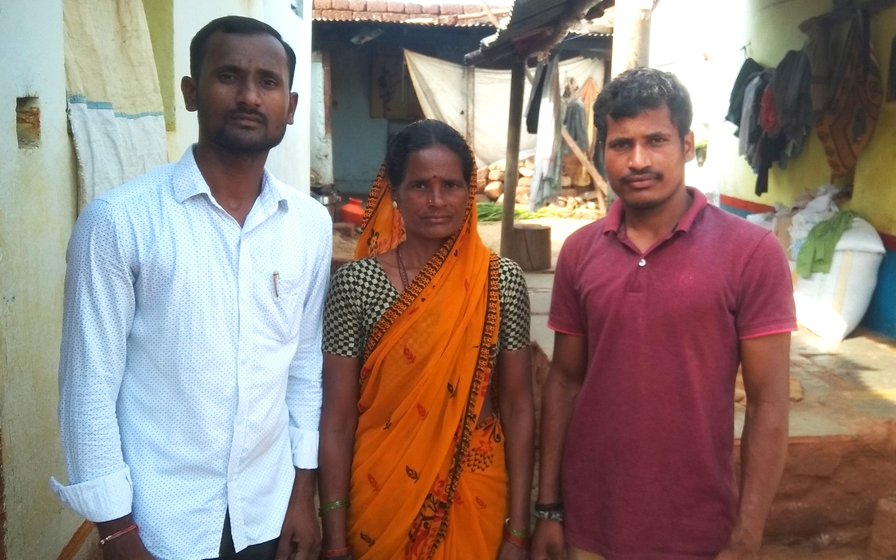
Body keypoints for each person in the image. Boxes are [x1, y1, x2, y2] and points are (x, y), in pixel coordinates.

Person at [50, 16, 331, 560]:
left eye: (268, 82)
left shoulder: (308, 225)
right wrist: (117, 533)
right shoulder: (118, 222)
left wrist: (303, 494)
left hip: (267, 514)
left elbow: (303, 368)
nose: (250, 95)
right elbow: (87, 390)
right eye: (229, 76)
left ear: (291, 107)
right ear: (191, 92)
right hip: (158, 524)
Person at [531, 67, 796, 560]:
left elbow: (768, 405)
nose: (637, 160)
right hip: (589, 524)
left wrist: (748, 535)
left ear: (687, 145)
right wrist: (549, 508)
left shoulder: (750, 252)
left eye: (656, 140)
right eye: (620, 144)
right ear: (601, 152)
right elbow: (564, 381)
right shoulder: (580, 251)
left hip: (699, 532)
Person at [317, 119, 534, 559]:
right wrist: (335, 537)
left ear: (469, 191)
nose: (436, 201)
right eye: (419, 186)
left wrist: (518, 531)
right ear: (394, 193)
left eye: (451, 185)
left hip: (474, 493)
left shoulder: (500, 280)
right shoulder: (356, 285)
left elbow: (517, 406)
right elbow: (337, 420)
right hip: (382, 497)